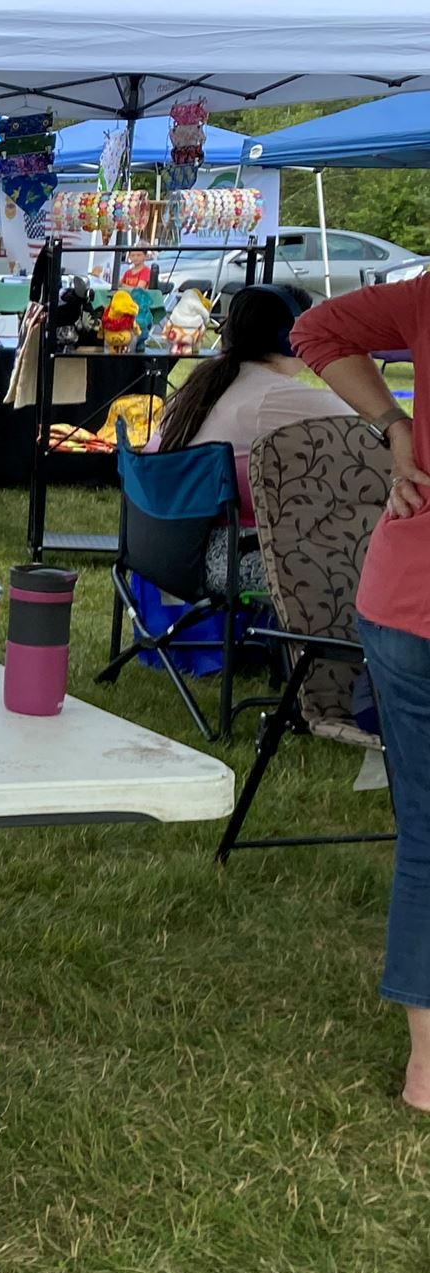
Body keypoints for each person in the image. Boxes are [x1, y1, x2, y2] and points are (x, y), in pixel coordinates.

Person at [293, 275, 430, 1114]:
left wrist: (394, 425)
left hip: (404, 595)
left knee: (426, 833)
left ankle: (427, 1070)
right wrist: (394, 425)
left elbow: (315, 330)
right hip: (407, 600)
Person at [150, 285, 349, 589]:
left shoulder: (208, 378)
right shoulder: (269, 394)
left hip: (169, 551)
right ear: (289, 337)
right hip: (224, 557)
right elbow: (374, 423)